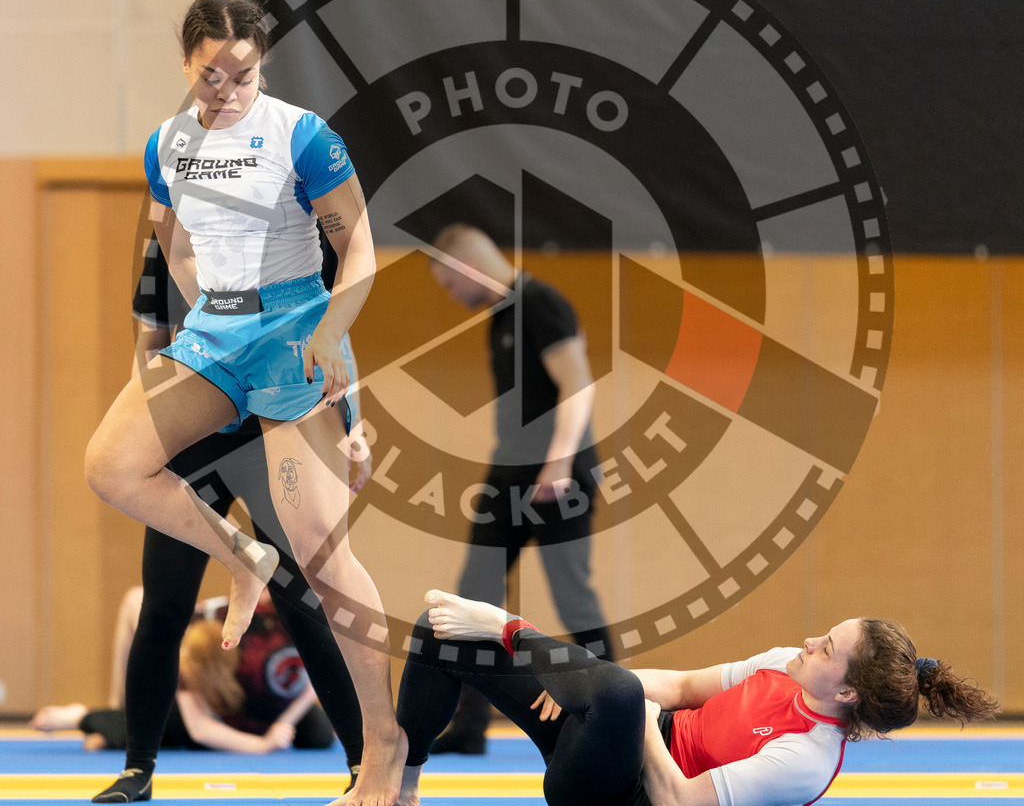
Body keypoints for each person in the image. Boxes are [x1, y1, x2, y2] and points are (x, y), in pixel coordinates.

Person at [85, 0, 405, 806]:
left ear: (262, 66)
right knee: (112, 465)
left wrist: (330, 334)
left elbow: (360, 249)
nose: (226, 91)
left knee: (321, 557)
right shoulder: (167, 143)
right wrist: (202, 318)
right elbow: (173, 243)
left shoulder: (303, 136)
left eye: (244, 76)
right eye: (210, 76)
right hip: (216, 333)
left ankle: (383, 746)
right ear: (187, 64)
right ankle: (240, 557)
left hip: (295, 328)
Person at [83, 234, 367, 803]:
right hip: (194, 442)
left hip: (270, 433)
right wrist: (153, 431)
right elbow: (151, 343)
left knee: (300, 598)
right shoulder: (166, 239)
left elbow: (331, 330)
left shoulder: (291, 225)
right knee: (164, 603)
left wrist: (352, 423)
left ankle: (363, 762)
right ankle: (138, 768)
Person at [392, 590, 998, 806]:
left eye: (826, 649)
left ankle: (512, 628)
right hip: (614, 745)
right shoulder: (782, 665)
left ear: (845, 690)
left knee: (622, 692)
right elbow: (682, 686)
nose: (811, 641)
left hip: (634, 796)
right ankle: (403, 786)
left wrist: (627, 713)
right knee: (443, 635)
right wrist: (583, 690)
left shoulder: (807, 758)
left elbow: (676, 799)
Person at [426, 224, 614, 754]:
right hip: (510, 470)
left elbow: (578, 384)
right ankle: (469, 726)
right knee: (473, 595)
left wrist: (559, 462)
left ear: (466, 267)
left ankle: (619, 713)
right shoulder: (501, 315)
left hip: (557, 472)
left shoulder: (540, 302)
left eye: (449, 284)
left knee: (573, 596)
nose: (451, 296)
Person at [33, 588, 336, 756]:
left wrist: (283, 723)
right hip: (214, 708)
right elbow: (199, 727)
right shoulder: (209, 628)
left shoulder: (298, 620)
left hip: (261, 708)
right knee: (164, 726)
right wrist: (261, 745)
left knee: (319, 734)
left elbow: (317, 678)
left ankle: (113, 725)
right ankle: (88, 717)